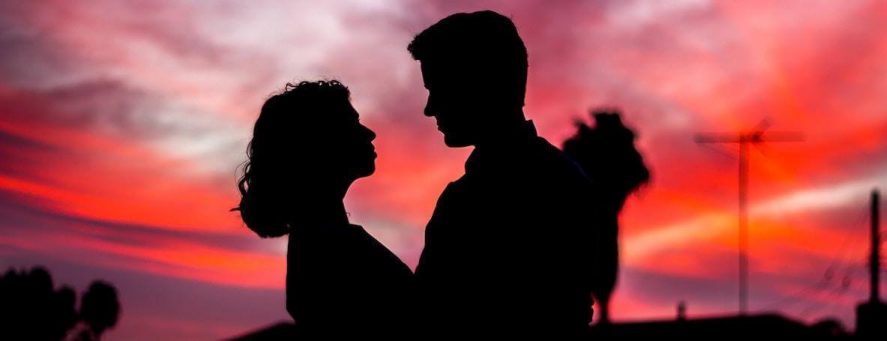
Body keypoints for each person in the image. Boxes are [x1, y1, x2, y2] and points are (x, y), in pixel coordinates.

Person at [408, 10, 596, 336]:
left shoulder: (469, 200)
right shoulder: (565, 178)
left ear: (482, 84)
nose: (430, 108)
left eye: (439, 88)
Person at [234, 80, 412, 338]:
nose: (369, 133)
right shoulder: (331, 248)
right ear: (320, 142)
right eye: (352, 124)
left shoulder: (320, 241)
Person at [563, 110, 651, 325]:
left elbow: (640, 174)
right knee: (594, 258)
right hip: (589, 214)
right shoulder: (586, 145)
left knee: (601, 258)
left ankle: (600, 310)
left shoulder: (611, 145)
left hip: (600, 214)